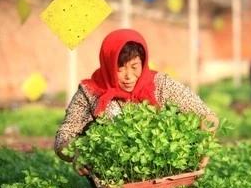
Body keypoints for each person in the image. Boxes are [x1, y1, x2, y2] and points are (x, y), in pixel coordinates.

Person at [54, 29, 219, 176]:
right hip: (112, 176)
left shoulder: (160, 85)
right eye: (120, 69)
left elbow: (207, 116)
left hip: (164, 170)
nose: (128, 76)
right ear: (108, 65)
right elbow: (64, 137)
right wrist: (77, 153)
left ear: (143, 62)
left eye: (134, 67)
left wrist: (204, 147)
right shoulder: (90, 92)